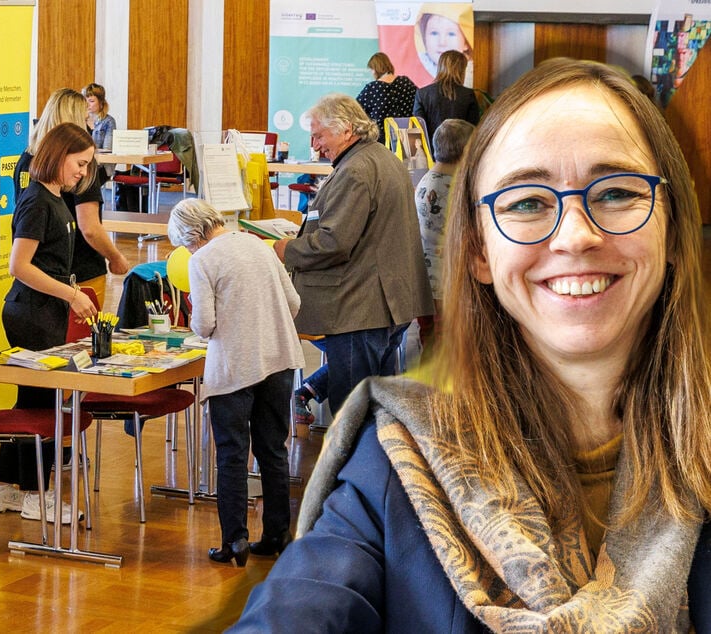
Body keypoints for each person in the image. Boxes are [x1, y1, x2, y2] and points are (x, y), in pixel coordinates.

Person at [234, 58, 711, 631]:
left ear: (674, 229)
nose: (576, 235)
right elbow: (305, 602)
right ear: (480, 252)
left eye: (615, 192)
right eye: (527, 203)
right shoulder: (400, 463)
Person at [273, 93, 433, 416]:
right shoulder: (385, 159)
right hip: (390, 304)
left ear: (346, 129)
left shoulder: (354, 171)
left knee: (351, 415)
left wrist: (286, 249)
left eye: (319, 135)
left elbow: (335, 243)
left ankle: (349, 469)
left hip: (359, 309)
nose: (315, 145)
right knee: (376, 411)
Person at [167, 199, 304, 567]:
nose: (188, 251)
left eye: (185, 245)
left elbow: (205, 324)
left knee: (231, 454)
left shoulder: (202, 260)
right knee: (273, 449)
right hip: (279, 358)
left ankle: (235, 540)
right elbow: (293, 303)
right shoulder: (257, 245)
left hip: (235, 367)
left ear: (191, 235)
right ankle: (277, 533)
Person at [0, 122, 98, 524]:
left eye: (87, 166)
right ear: (58, 155)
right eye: (79, 163)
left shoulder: (56, 200)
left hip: (42, 312)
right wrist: (71, 294)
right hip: (29, 313)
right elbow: (19, 266)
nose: (82, 173)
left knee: (31, 402)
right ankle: (38, 495)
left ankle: (0, 489)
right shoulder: (37, 201)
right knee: (46, 405)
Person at [13, 87, 129, 307]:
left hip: (37, 275)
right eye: (86, 119)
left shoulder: (25, 159)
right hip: (77, 272)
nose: (91, 125)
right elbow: (90, 228)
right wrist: (116, 257)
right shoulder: (77, 166)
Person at [413, 118, 474, 351]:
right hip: (445, 281)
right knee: (444, 341)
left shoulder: (427, 180)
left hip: (426, 279)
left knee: (431, 337)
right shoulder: (451, 189)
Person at [413, 49, 480, 139]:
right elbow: (473, 128)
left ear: (440, 67)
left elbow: (419, 128)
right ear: (461, 70)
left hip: (431, 151)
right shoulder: (468, 94)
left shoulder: (422, 94)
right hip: (461, 150)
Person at [355, 52, 417, 133]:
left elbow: (355, 109)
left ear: (375, 69)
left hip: (381, 138)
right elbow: (418, 103)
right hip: (407, 134)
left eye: (371, 70)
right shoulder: (406, 82)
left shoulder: (372, 88)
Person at [414, 3, 473, 79]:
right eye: (434, 33)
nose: (442, 42)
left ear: (466, 43)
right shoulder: (419, 65)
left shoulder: (471, 74)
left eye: (451, 34)